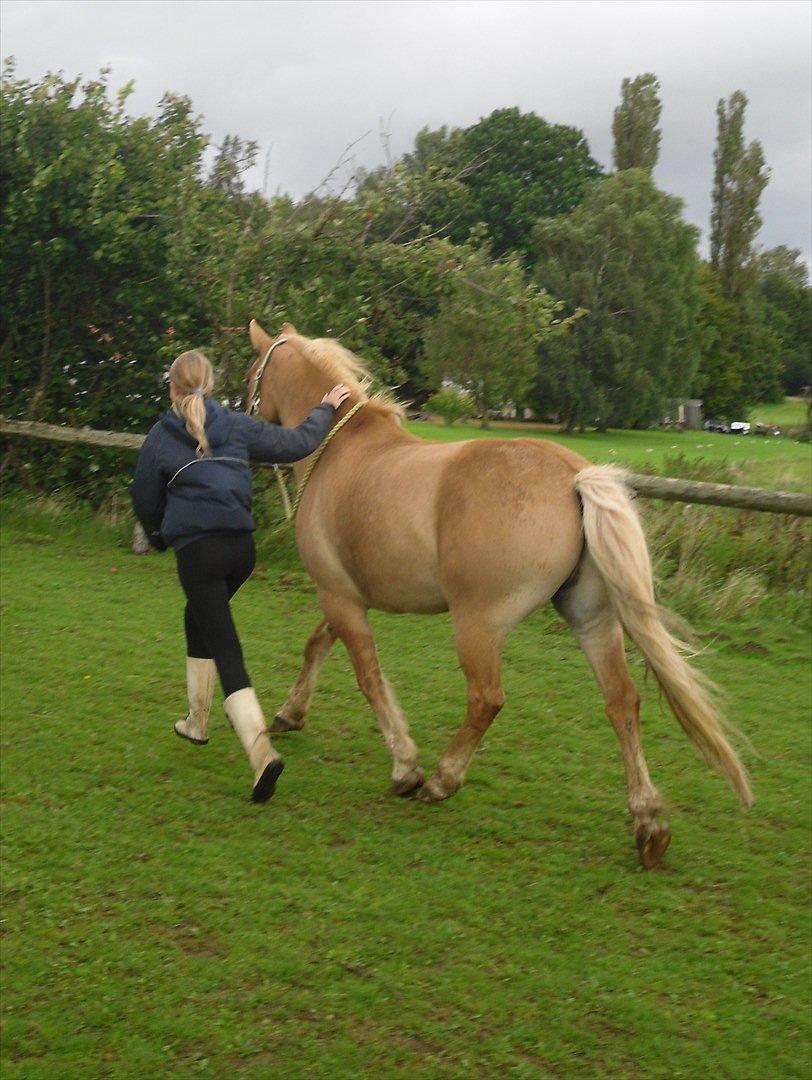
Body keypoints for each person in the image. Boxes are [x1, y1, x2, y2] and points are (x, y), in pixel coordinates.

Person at [131, 348, 350, 802]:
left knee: (226, 648)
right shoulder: (234, 424)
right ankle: (196, 721)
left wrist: (156, 537)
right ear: (209, 385)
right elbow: (297, 444)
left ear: (172, 387)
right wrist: (327, 406)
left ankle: (260, 753)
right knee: (200, 618)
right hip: (241, 551)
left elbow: (144, 497)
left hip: (200, 553)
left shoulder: (159, 435)